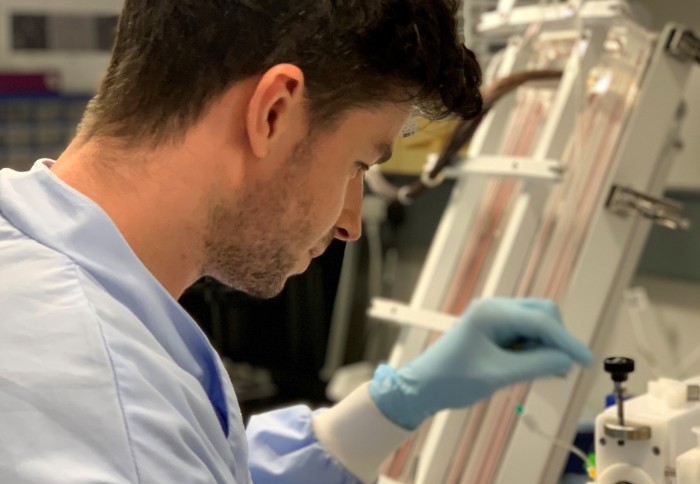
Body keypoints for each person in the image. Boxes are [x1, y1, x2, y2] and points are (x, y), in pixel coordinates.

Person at [0, 1, 593, 483]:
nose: (351, 224)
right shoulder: (107, 405)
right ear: (274, 113)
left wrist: (391, 407)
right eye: (359, 165)